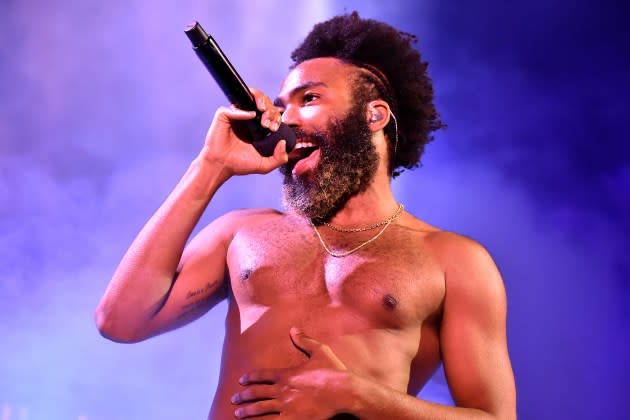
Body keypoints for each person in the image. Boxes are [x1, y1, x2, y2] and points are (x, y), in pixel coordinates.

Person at [95, 11, 516, 419]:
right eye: (283, 105)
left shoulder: (454, 261)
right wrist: (212, 165)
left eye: (309, 98)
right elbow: (119, 321)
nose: (286, 119)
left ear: (374, 114)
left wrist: (361, 397)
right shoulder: (243, 233)